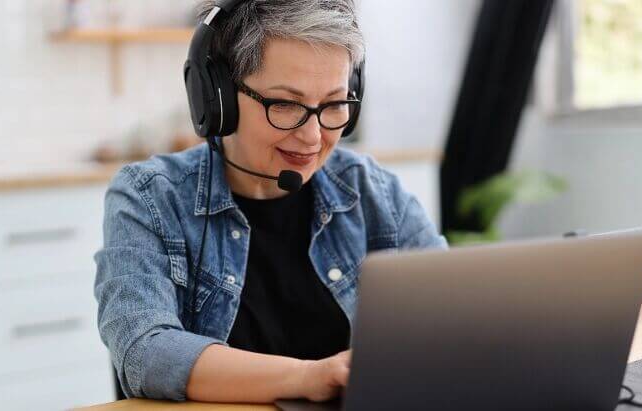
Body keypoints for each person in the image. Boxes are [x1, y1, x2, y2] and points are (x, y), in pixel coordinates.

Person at [94, 0, 446, 404]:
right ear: (218, 97)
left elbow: (453, 315)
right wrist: (310, 376)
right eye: (286, 104)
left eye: (334, 105)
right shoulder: (149, 197)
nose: (313, 136)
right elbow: (145, 353)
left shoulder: (374, 192)